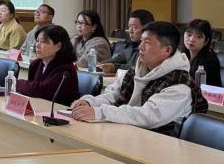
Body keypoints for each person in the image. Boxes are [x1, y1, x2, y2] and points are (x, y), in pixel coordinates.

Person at [70, 21, 208, 134]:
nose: (140, 47)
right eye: (141, 41)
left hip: (162, 147)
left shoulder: (179, 85)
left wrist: (99, 112)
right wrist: (90, 102)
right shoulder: (136, 70)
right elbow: (114, 95)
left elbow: (147, 116)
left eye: (147, 42)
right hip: (132, 136)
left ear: (167, 50)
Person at [16, 24, 79, 106]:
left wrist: (15, 83)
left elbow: (40, 91)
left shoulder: (66, 69)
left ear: (58, 46)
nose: (37, 45)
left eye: (43, 42)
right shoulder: (36, 64)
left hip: (59, 110)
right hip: (39, 107)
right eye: (37, 41)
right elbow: (30, 91)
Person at [100, 9, 155, 74]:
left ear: (146, 29)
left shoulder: (150, 48)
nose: (130, 31)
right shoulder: (130, 46)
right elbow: (114, 60)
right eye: (129, 27)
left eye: (134, 27)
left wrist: (115, 67)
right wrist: (100, 64)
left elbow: (139, 68)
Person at [181, 19, 222, 87]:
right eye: (189, 35)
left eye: (199, 37)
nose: (192, 39)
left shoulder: (210, 60)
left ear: (206, 41)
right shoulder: (182, 55)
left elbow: (196, 85)